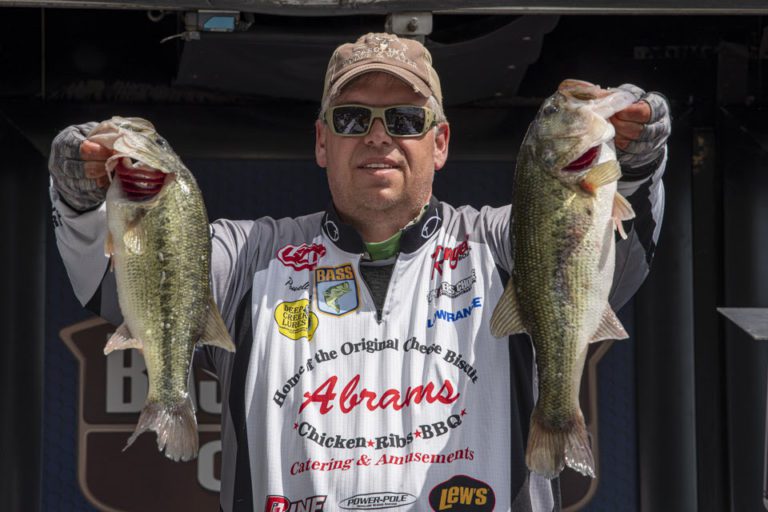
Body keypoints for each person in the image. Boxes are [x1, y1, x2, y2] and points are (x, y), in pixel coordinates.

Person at [49, 32, 670, 512]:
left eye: (405, 120)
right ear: (322, 142)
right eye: (352, 119)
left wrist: (638, 159)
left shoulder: (506, 242)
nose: (378, 137)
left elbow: (614, 240)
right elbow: (115, 284)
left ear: (442, 142)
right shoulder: (247, 259)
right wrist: (80, 197)